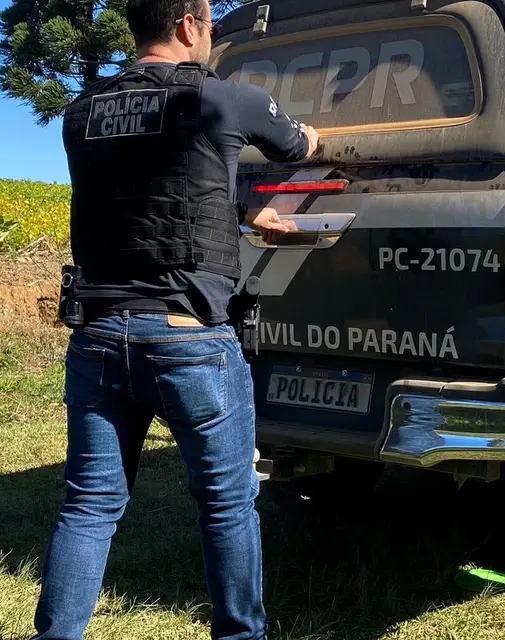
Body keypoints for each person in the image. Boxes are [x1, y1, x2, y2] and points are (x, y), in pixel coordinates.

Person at [31, 0, 319, 638]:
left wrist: (242, 210)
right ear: (190, 24)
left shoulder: (81, 113)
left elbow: (147, 188)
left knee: (88, 506)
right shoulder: (225, 99)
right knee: (227, 505)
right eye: (210, 23)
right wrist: (316, 140)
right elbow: (297, 144)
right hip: (189, 339)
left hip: (98, 338)